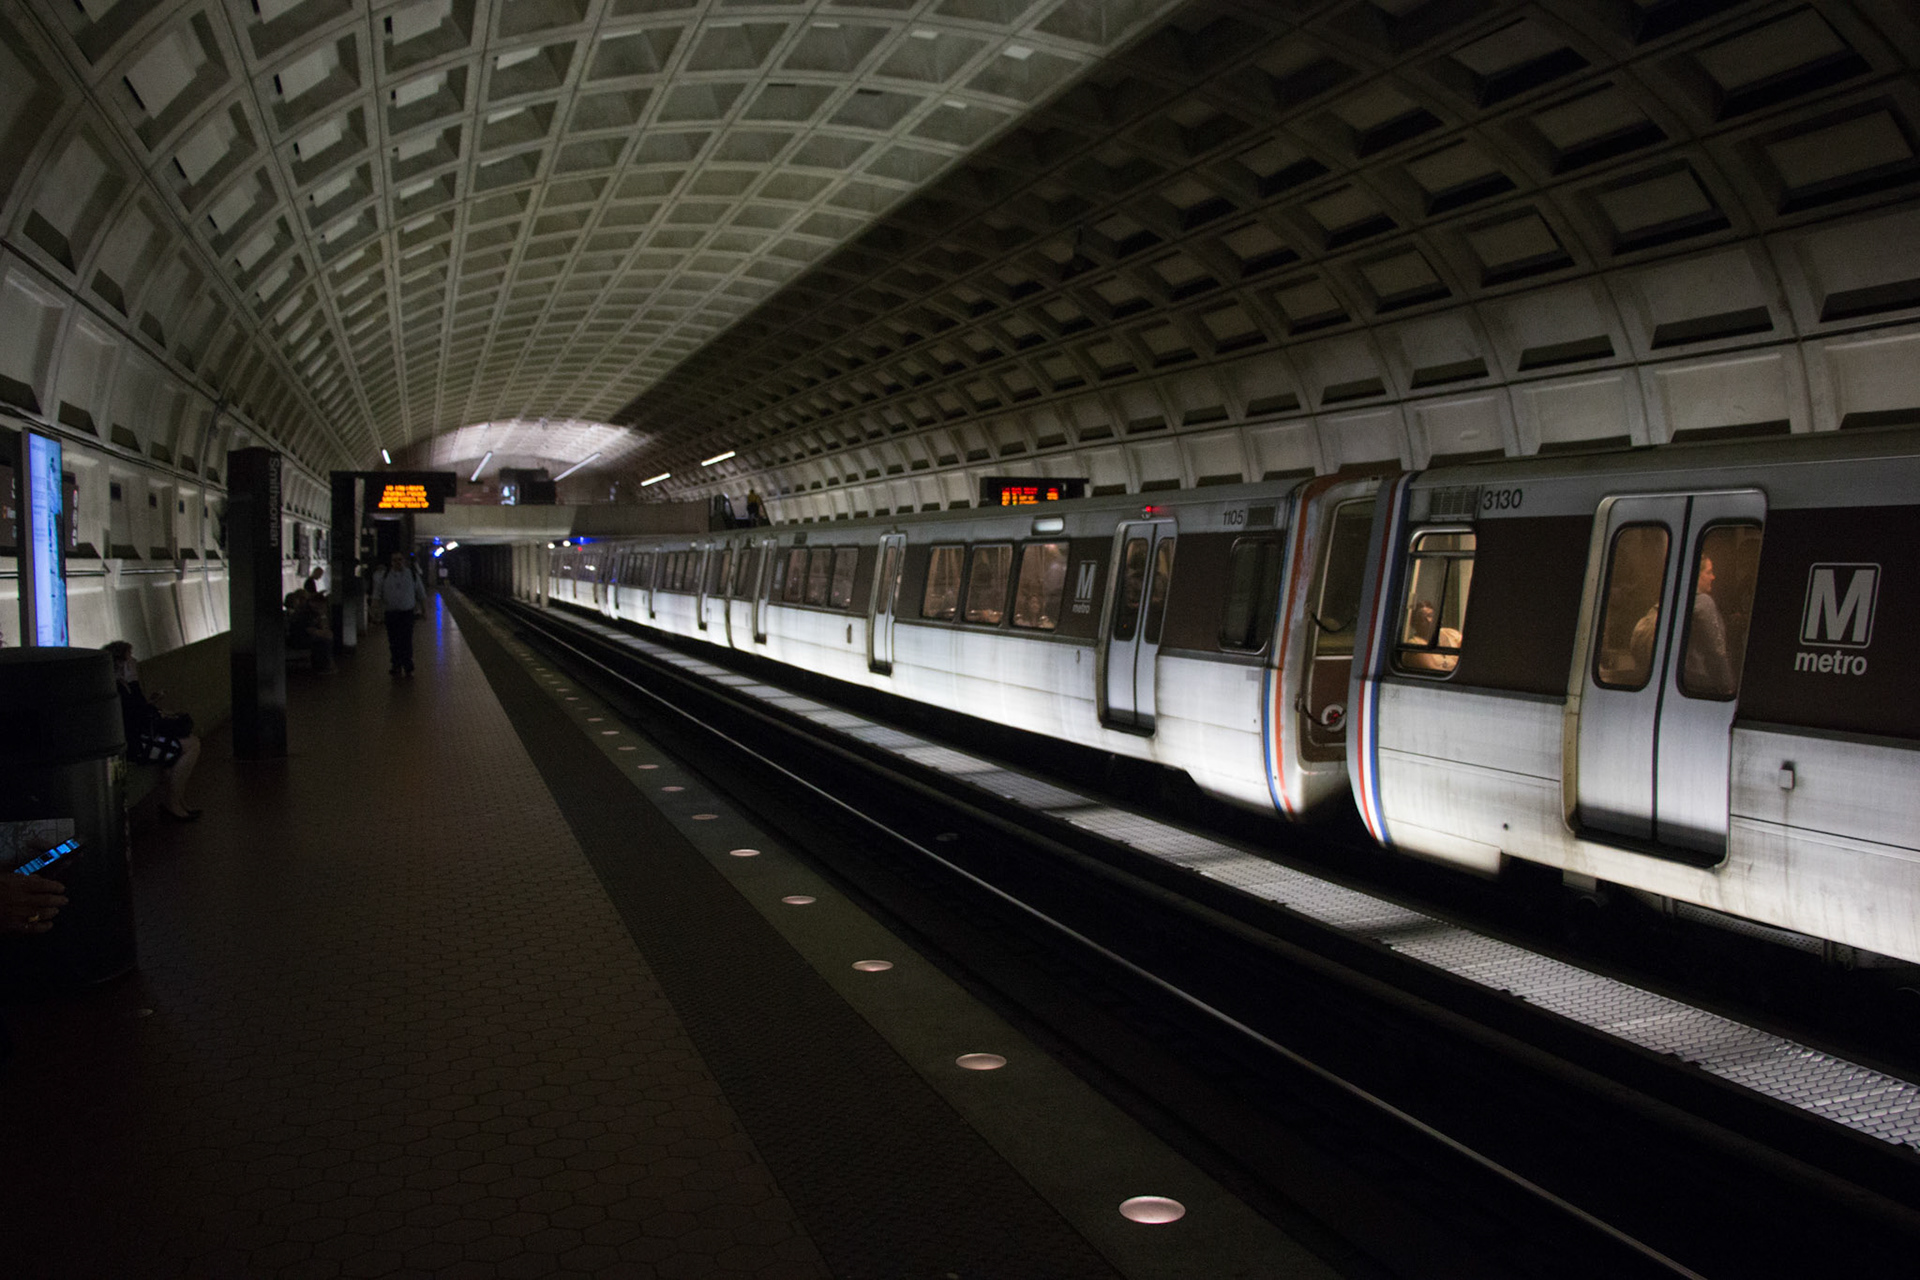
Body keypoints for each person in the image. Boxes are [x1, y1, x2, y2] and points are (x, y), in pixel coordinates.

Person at [105, 640, 202, 822]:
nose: (134, 661)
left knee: (190, 743)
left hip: (139, 737)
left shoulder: (121, 683)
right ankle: (173, 804)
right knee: (191, 746)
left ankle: (177, 801)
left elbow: (137, 710)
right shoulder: (118, 686)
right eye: (129, 657)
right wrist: (134, 682)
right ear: (120, 663)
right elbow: (138, 716)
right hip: (135, 745)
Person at [1685, 556, 1734, 695]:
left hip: (1685, 676)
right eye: (1708, 572)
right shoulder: (1704, 603)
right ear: (1696, 575)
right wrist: (1728, 685)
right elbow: (1717, 648)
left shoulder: (1682, 600)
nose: (1713, 577)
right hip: (1703, 679)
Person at [372, 551, 427, 676]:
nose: (398, 562)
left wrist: (425, 610)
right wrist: (375, 610)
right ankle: (396, 665)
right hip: (391, 613)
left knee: (406, 640)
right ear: (391, 562)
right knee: (393, 641)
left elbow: (421, 593)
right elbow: (377, 594)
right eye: (395, 560)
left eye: (400, 559)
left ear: (404, 561)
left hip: (407, 613)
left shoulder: (412, 575)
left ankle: (408, 666)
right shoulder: (384, 576)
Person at [286, 587, 333, 671]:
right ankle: (322, 667)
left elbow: (321, 627)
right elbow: (311, 630)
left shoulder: (310, 612)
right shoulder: (304, 613)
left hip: (301, 637)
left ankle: (323, 666)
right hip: (298, 639)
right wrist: (324, 633)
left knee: (324, 639)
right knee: (323, 641)